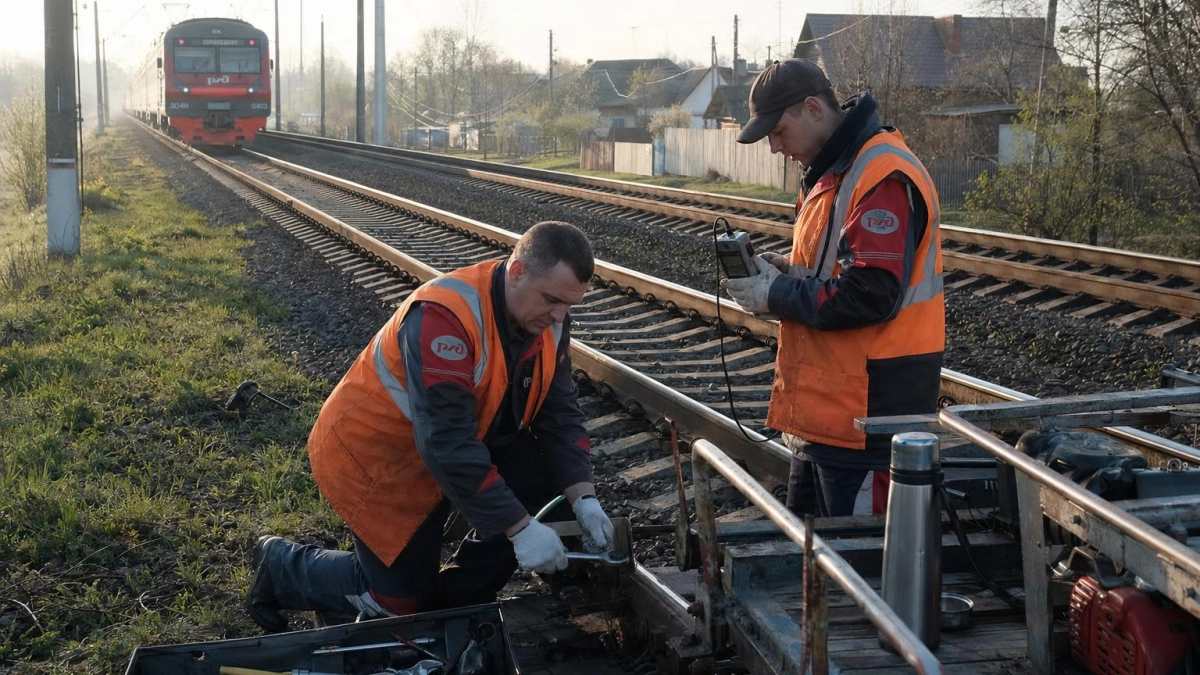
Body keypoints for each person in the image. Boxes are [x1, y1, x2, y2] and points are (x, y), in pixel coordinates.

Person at [246, 221, 614, 632]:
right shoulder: (445, 317)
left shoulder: (549, 319)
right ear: (517, 272)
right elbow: (445, 442)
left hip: (457, 440)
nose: (561, 315)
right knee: (399, 602)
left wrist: (583, 496)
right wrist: (521, 528)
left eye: (570, 305)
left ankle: (452, 603)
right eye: (552, 300)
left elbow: (558, 411)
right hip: (380, 461)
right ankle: (282, 565)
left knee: (549, 484)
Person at [723, 59, 944, 518]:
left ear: (812, 109)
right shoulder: (832, 171)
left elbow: (870, 293)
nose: (774, 147)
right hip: (827, 420)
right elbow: (834, 274)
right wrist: (783, 272)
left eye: (778, 132)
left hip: (868, 422)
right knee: (815, 571)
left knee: (857, 574)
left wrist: (775, 295)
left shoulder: (880, 174)